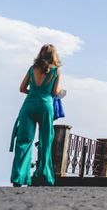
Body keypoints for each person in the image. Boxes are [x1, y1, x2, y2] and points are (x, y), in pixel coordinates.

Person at [10, 44, 64, 187]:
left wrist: (33, 93)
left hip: (28, 106)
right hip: (45, 106)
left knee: (23, 141)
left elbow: (22, 89)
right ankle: (43, 176)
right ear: (54, 55)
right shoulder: (56, 71)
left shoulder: (32, 69)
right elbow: (54, 92)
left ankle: (18, 177)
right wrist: (62, 92)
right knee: (45, 141)